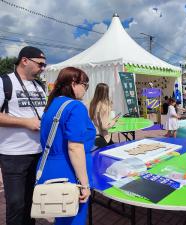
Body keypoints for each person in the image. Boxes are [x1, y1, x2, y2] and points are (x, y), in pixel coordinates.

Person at [39, 67, 96, 225]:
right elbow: (75, 147)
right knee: (73, 219)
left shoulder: (52, 105)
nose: (85, 89)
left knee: (62, 218)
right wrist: (84, 185)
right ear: (73, 83)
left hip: (52, 167)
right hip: (71, 170)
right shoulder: (75, 106)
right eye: (85, 84)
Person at [0, 46, 46, 225]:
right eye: (40, 64)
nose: (43, 68)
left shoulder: (39, 86)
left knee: (32, 201)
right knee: (16, 204)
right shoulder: (4, 82)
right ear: (25, 60)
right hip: (13, 155)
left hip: (38, 152)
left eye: (44, 65)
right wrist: (25, 122)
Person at [89, 83, 119, 148]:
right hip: (103, 137)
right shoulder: (103, 106)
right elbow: (104, 127)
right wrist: (114, 120)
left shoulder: (93, 103)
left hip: (94, 135)